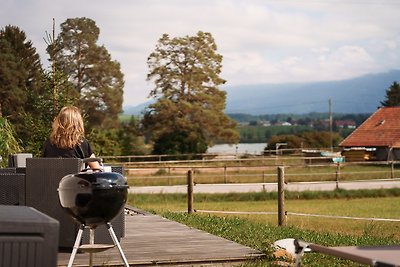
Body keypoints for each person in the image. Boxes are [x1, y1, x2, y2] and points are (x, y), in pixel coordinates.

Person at [42, 106, 101, 170]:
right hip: (74, 180)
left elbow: (42, 166)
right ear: (78, 123)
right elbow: (96, 168)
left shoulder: (49, 143)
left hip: (52, 179)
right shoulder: (81, 143)